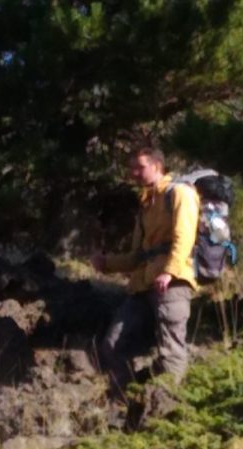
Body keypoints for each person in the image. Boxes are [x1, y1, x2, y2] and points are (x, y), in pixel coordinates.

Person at [91, 147, 199, 400]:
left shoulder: (180, 193)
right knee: (113, 343)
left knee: (170, 348)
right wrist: (106, 263)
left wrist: (169, 272)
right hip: (143, 285)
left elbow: (185, 237)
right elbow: (138, 256)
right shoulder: (147, 202)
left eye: (139, 167)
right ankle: (126, 403)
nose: (134, 173)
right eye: (132, 168)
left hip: (172, 283)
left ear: (157, 165)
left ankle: (166, 407)